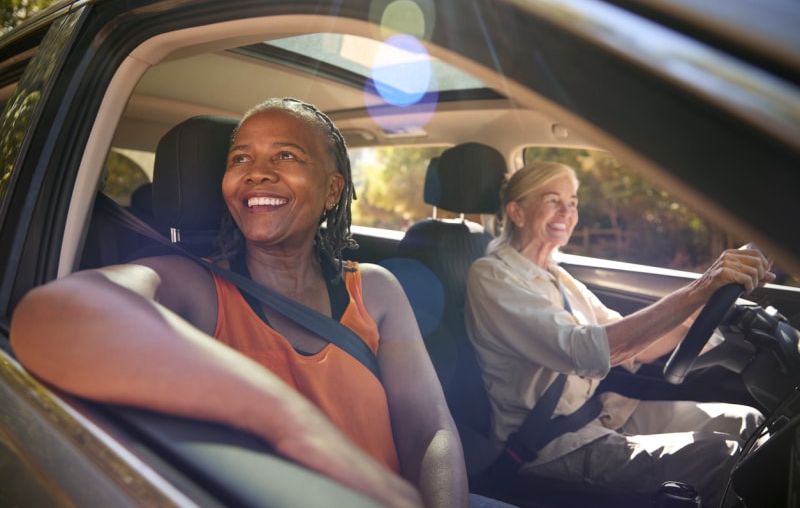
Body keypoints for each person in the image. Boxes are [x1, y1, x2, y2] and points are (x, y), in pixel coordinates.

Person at [11, 98, 479, 508]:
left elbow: (431, 431)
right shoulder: (194, 286)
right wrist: (293, 423)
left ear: (333, 190)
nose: (257, 172)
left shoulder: (375, 289)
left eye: (286, 155)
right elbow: (54, 314)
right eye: (241, 158)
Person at [464, 161, 773, 506]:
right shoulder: (492, 276)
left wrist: (706, 306)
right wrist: (700, 289)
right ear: (517, 213)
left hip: (600, 412)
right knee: (721, 455)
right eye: (553, 200)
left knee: (749, 422)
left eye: (573, 201)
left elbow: (641, 346)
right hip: (545, 442)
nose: (567, 211)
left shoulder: (560, 278)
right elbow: (593, 351)